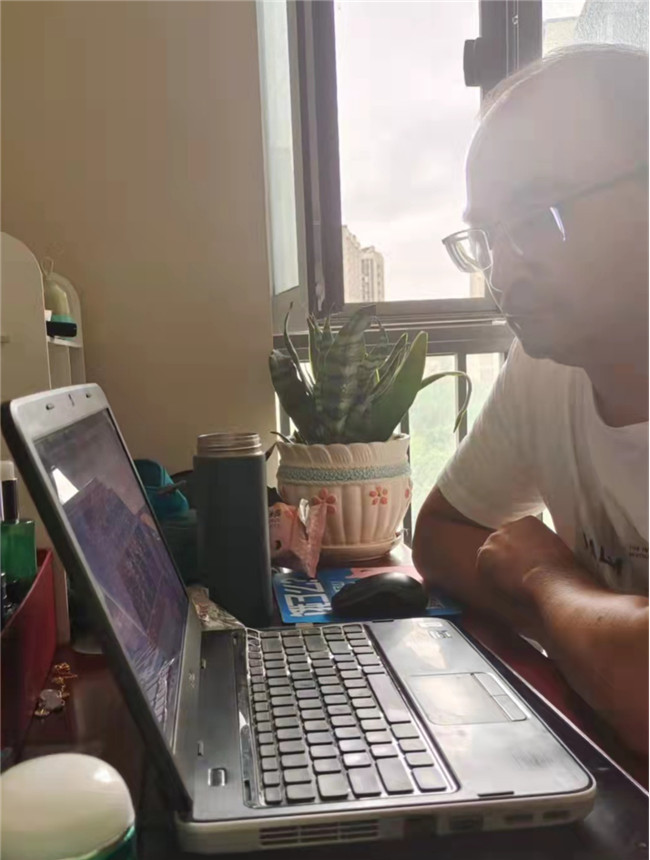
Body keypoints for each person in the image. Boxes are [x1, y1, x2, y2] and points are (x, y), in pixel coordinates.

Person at [412, 45, 648, 755]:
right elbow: (443, 532)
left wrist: (546, 577)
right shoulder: (548, 366)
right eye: (487, 237)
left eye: (538, 216)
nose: (503, 271)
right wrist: (585, 631)